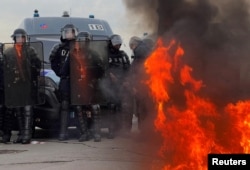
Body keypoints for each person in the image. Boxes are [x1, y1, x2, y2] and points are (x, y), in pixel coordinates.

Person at [2, 28, 42, 144]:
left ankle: (27, 134)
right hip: (14, 85)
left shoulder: (31, 51)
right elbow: (4, 69)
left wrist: (33, 73)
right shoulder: (8, 52)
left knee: (27, 109)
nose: (21, 40)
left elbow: (38, 65)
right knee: (18, 110)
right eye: (18, 37)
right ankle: (20, 134)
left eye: (22, 37)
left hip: (27, 84)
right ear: (14, 39)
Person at [70, 31, 105, 142]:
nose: (83, 43)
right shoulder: (73, 54)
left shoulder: (94, 54)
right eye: (81, 41)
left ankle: (96, 133)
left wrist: (94, 77)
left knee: (95, 108)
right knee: (79, 108)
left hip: (92, 85)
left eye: (85, 41)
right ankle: (84, 133)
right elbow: (65, 70)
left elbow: (102, 70)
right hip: (79, 86)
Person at [49, 24, 78, 141]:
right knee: (64, 105)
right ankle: (63, 132)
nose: (69, 34)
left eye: (72, 32)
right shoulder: (58, 48)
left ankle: (82, 131)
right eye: (67, 32)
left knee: (79, 105)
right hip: (65, 80)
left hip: (78, 80)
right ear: (63, 34)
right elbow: (53, 62)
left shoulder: (78, 47)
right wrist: (61, 73)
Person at [106, 34, 131, 138]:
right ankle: (111, 130)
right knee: (111, 107)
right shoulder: (106, 55)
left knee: (121, 108)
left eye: (119, 43)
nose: (118, 45)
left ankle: (120, 129)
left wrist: (126, 80)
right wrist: (109, 74)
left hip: (121, 85)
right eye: (116, 43)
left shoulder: (123, 55)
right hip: (110, 86)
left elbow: (128, 69)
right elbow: (102, 67)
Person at [128, 36, 153, 132]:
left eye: (131, 46)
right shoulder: (147, 52)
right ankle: (147, 131)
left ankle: (144, 131)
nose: (131, 49)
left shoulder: (139, 52)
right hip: (148, 87)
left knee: (142, 110)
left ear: (134, 44)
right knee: (146, 110)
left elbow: (136, 72)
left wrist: (134, 86)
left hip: (141, 88)